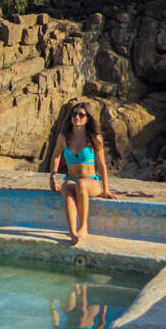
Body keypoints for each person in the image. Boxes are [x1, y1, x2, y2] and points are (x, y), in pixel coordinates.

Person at [48, 102, 118, 244]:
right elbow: (56, 156)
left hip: (91, 181)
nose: (77, 117)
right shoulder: (64, 137)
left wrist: (106, 190)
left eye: (81, 114)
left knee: (81, 184)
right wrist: (52, 178)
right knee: (66, 191)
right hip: (71, 179)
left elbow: (102, 165)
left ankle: (84, 226)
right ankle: (73, 232)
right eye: (74, 114)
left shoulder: (94, 137)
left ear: (88, 118)